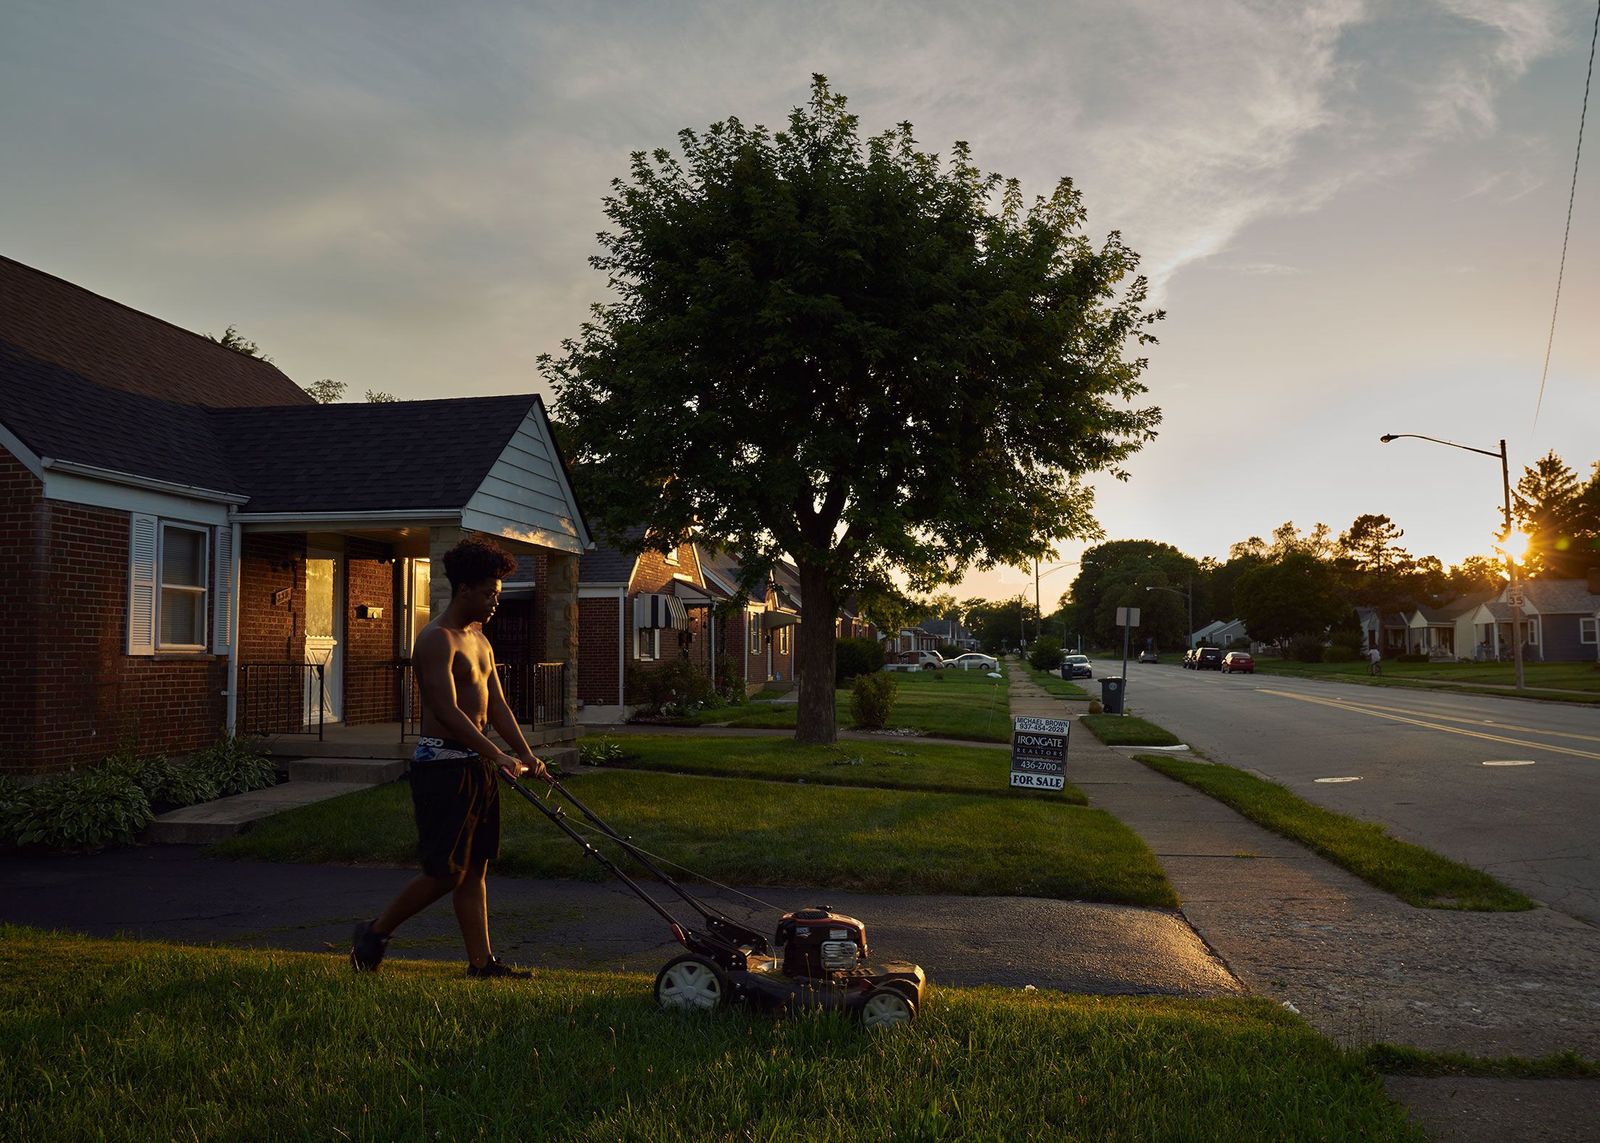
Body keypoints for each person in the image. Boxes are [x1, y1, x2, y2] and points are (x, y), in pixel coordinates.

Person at [351, 536, 548, 978]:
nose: (496, 601)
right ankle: (375, 931)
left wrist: (527, 754)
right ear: (464, 590)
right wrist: (496, 753)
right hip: (442, 765)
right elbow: (445, 709)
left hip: (477, 763)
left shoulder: (480, 640)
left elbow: (496, 705)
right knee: (445, 871)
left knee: (474, 868)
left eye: (498, 593)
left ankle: (481, 963)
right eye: (490, 593)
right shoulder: (436, 639)